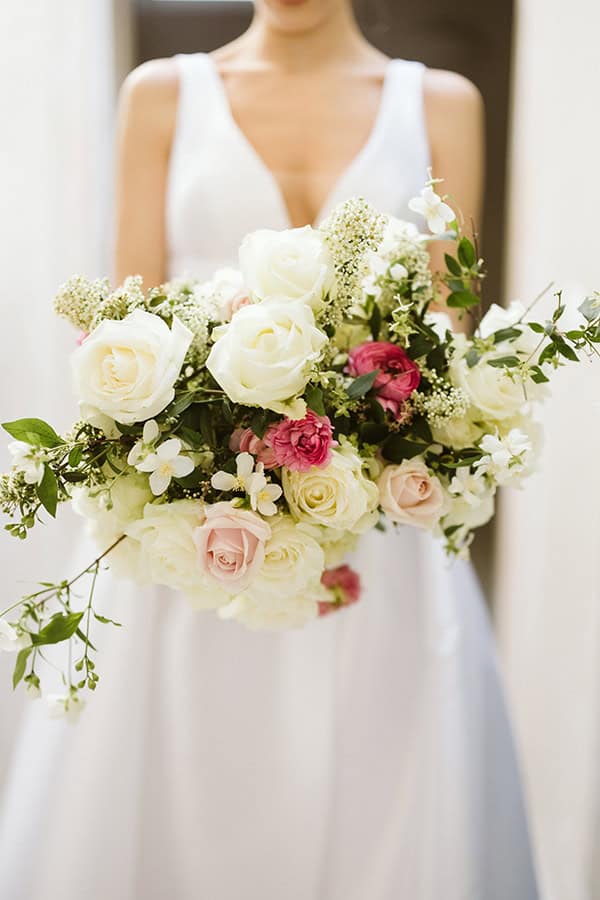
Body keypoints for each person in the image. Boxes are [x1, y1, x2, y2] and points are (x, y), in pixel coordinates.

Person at [0, 1, 539, 898]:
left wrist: (353, 444)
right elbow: (120, 328)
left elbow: (445, 337)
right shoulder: (164, 95)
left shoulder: (440, 104)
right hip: (191, 527)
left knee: (384, 789)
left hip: (373, 534)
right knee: (180, 774)